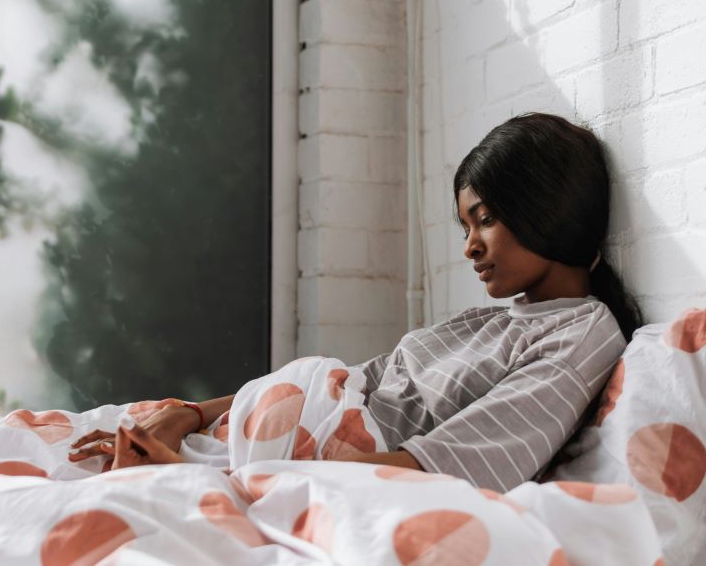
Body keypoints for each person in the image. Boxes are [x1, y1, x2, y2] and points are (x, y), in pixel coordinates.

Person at [69, 112, 642, 492]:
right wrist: (187, 414)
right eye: (465, 226)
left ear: (546, 206)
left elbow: (444, 469)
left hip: (274, 465)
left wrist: (197, 483)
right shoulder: (498, 318)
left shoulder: (581, 335)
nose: (469, 247)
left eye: (484, 220)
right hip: (242, 442)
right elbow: (363, 377)